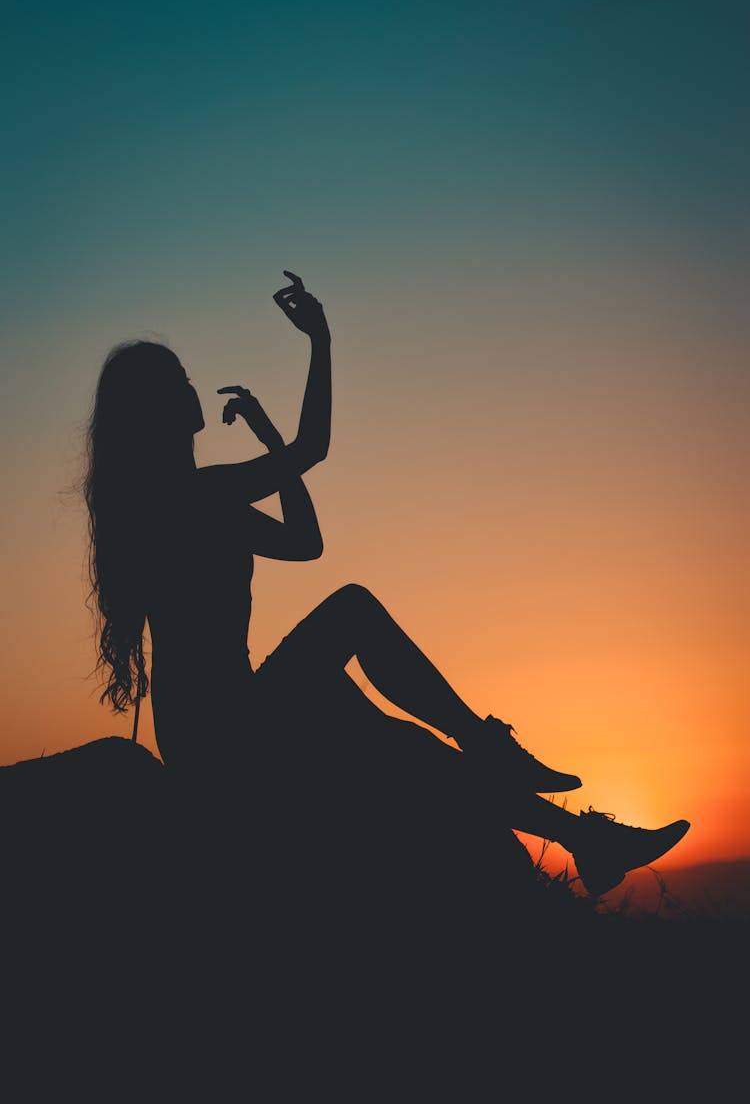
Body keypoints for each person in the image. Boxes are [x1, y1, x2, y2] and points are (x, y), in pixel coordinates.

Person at [83, 270, 689, 899]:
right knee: (353, 612)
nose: (192, 387)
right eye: (179, 381)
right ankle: (493, 753)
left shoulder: (187, 503)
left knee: (397, 744)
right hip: (230, 735)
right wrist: (319, 341)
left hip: (212, 733)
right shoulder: (200, 495)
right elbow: (313, 448)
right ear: (158, 410)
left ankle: (580, 837)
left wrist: (271, 445)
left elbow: (303, 543)